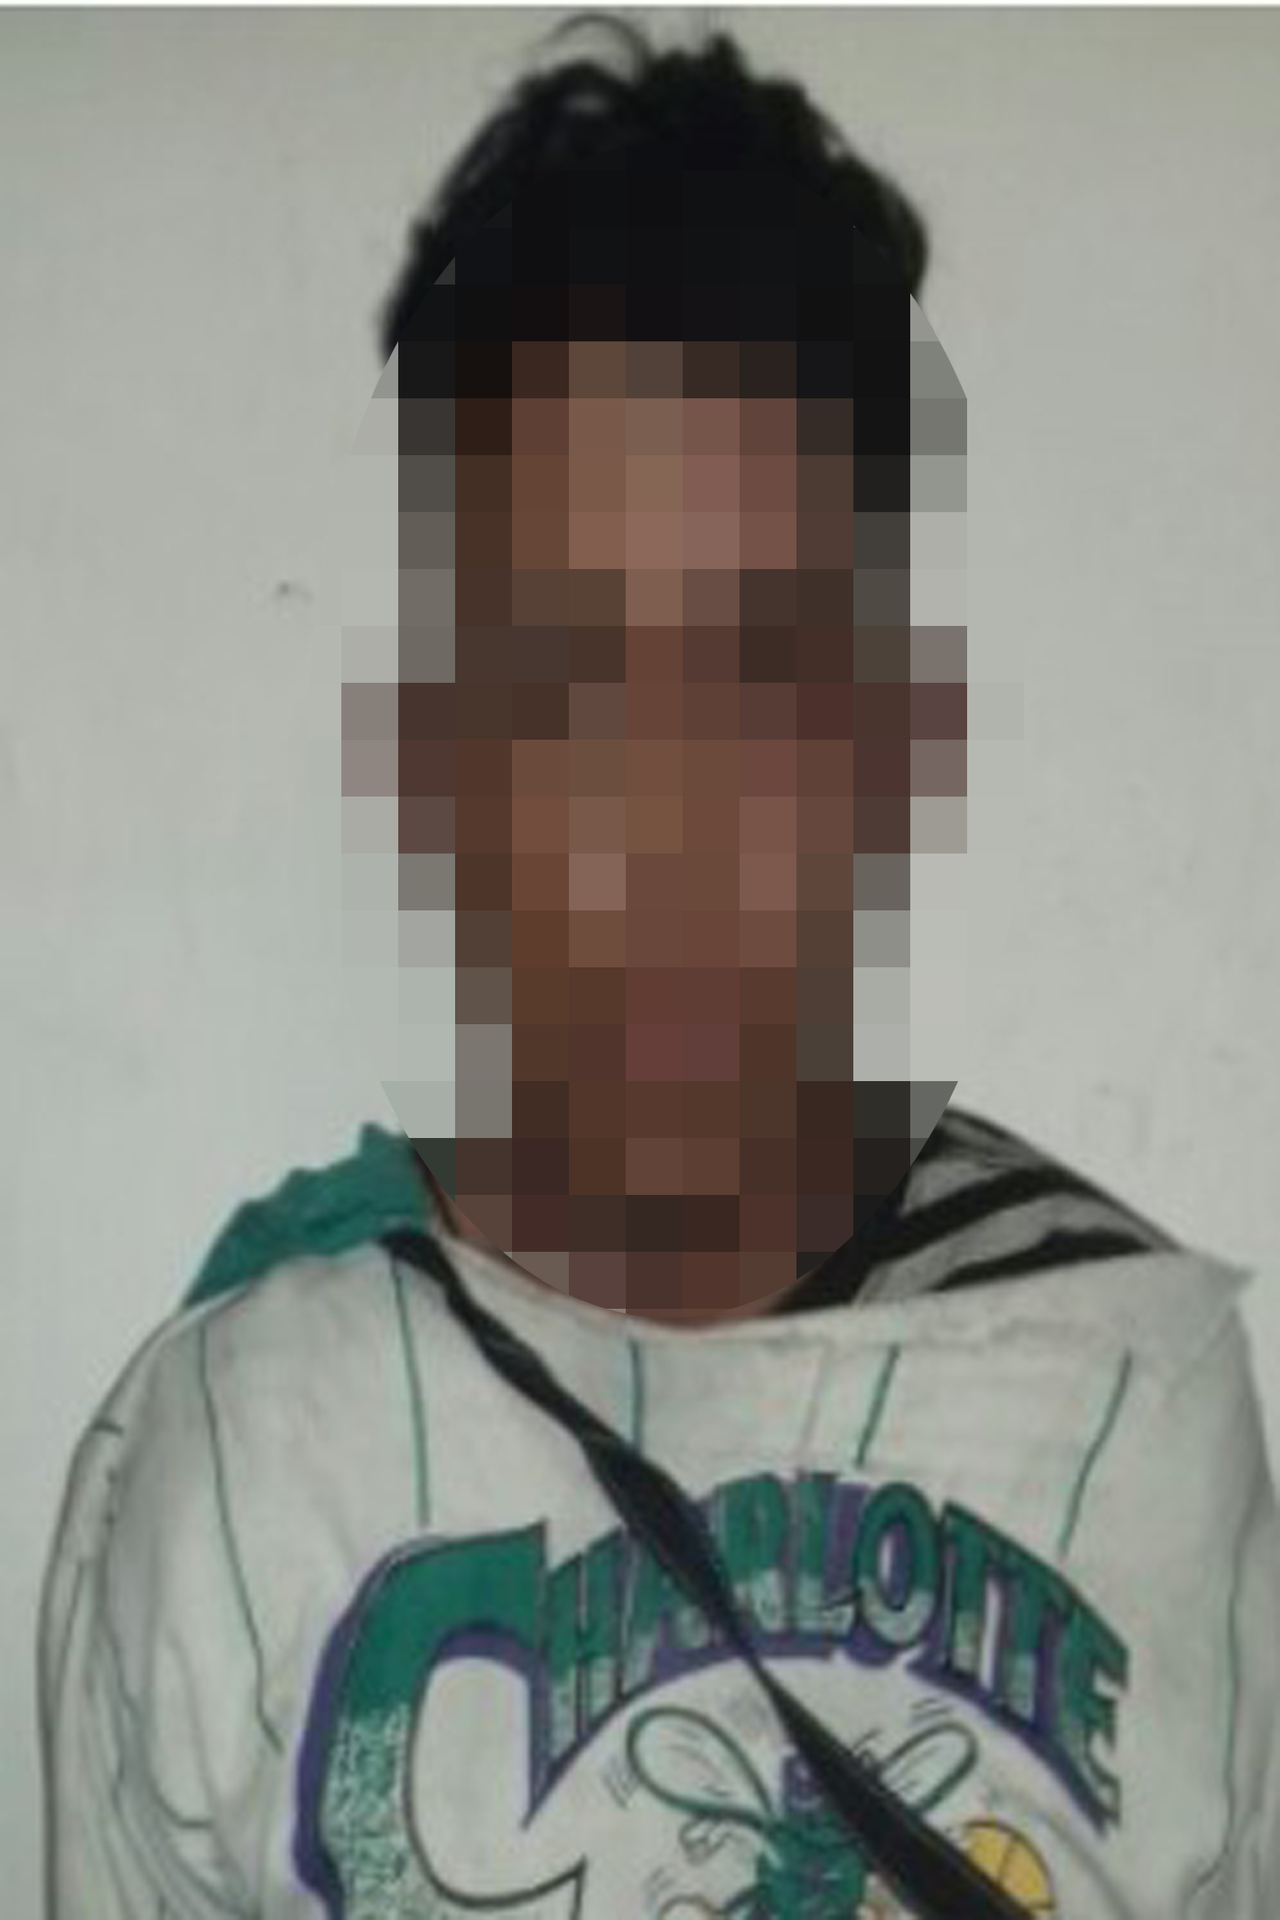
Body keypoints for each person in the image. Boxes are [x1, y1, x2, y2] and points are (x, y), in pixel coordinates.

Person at [37, 20, 1280, 1920]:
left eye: (764, 666)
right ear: (441, 768)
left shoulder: (1132, 1407)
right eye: (572, 678)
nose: (676, 812)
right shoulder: (239, 1458)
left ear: (896, 742)